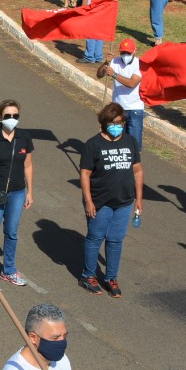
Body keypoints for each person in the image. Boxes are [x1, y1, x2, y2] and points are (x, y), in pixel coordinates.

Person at [78, 102, 144, 298]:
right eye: (114, 122)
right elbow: (85, 174)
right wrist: (88, 201)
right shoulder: (93, 144)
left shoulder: (130, 142)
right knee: (95, 237)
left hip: (124, 201)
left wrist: (139, 199)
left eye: (121, 123)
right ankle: (88, 275)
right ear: (105, 123)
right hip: (100, 201)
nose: (118, 126)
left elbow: (138, 170)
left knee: (116, 240)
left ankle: (111, 278)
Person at [0, 100, 35, 288]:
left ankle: (9, 271)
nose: (12, 119)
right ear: (1, 117)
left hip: (17, 193)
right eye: (8, 116)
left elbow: (28, 166)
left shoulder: (24, 138)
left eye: (15, 116)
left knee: (11, 233)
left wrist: (30, 192)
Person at [0, 303, 74, 370]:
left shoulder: (62, 359)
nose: (62, 342)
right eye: (55, 338)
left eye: (64, 336)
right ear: (33, 337)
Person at [96, 38, 144, 152]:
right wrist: (106, 62)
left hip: (135, 109)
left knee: (134, 145)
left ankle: (133, 167)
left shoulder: (140, 65)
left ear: (134, 51)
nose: (125, 55)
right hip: (118, 109)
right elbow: (99, 75)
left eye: (128, 53)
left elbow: (132, 83)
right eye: (123, 53)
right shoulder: (114, 61)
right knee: (116, 141)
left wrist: (115, 75)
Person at [76, 0, 114, 64]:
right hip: (101, 6)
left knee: (90, 32)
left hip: (91, 6)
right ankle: (98, 56)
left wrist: (82, 10)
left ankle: (89, 56)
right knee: (98, 32)